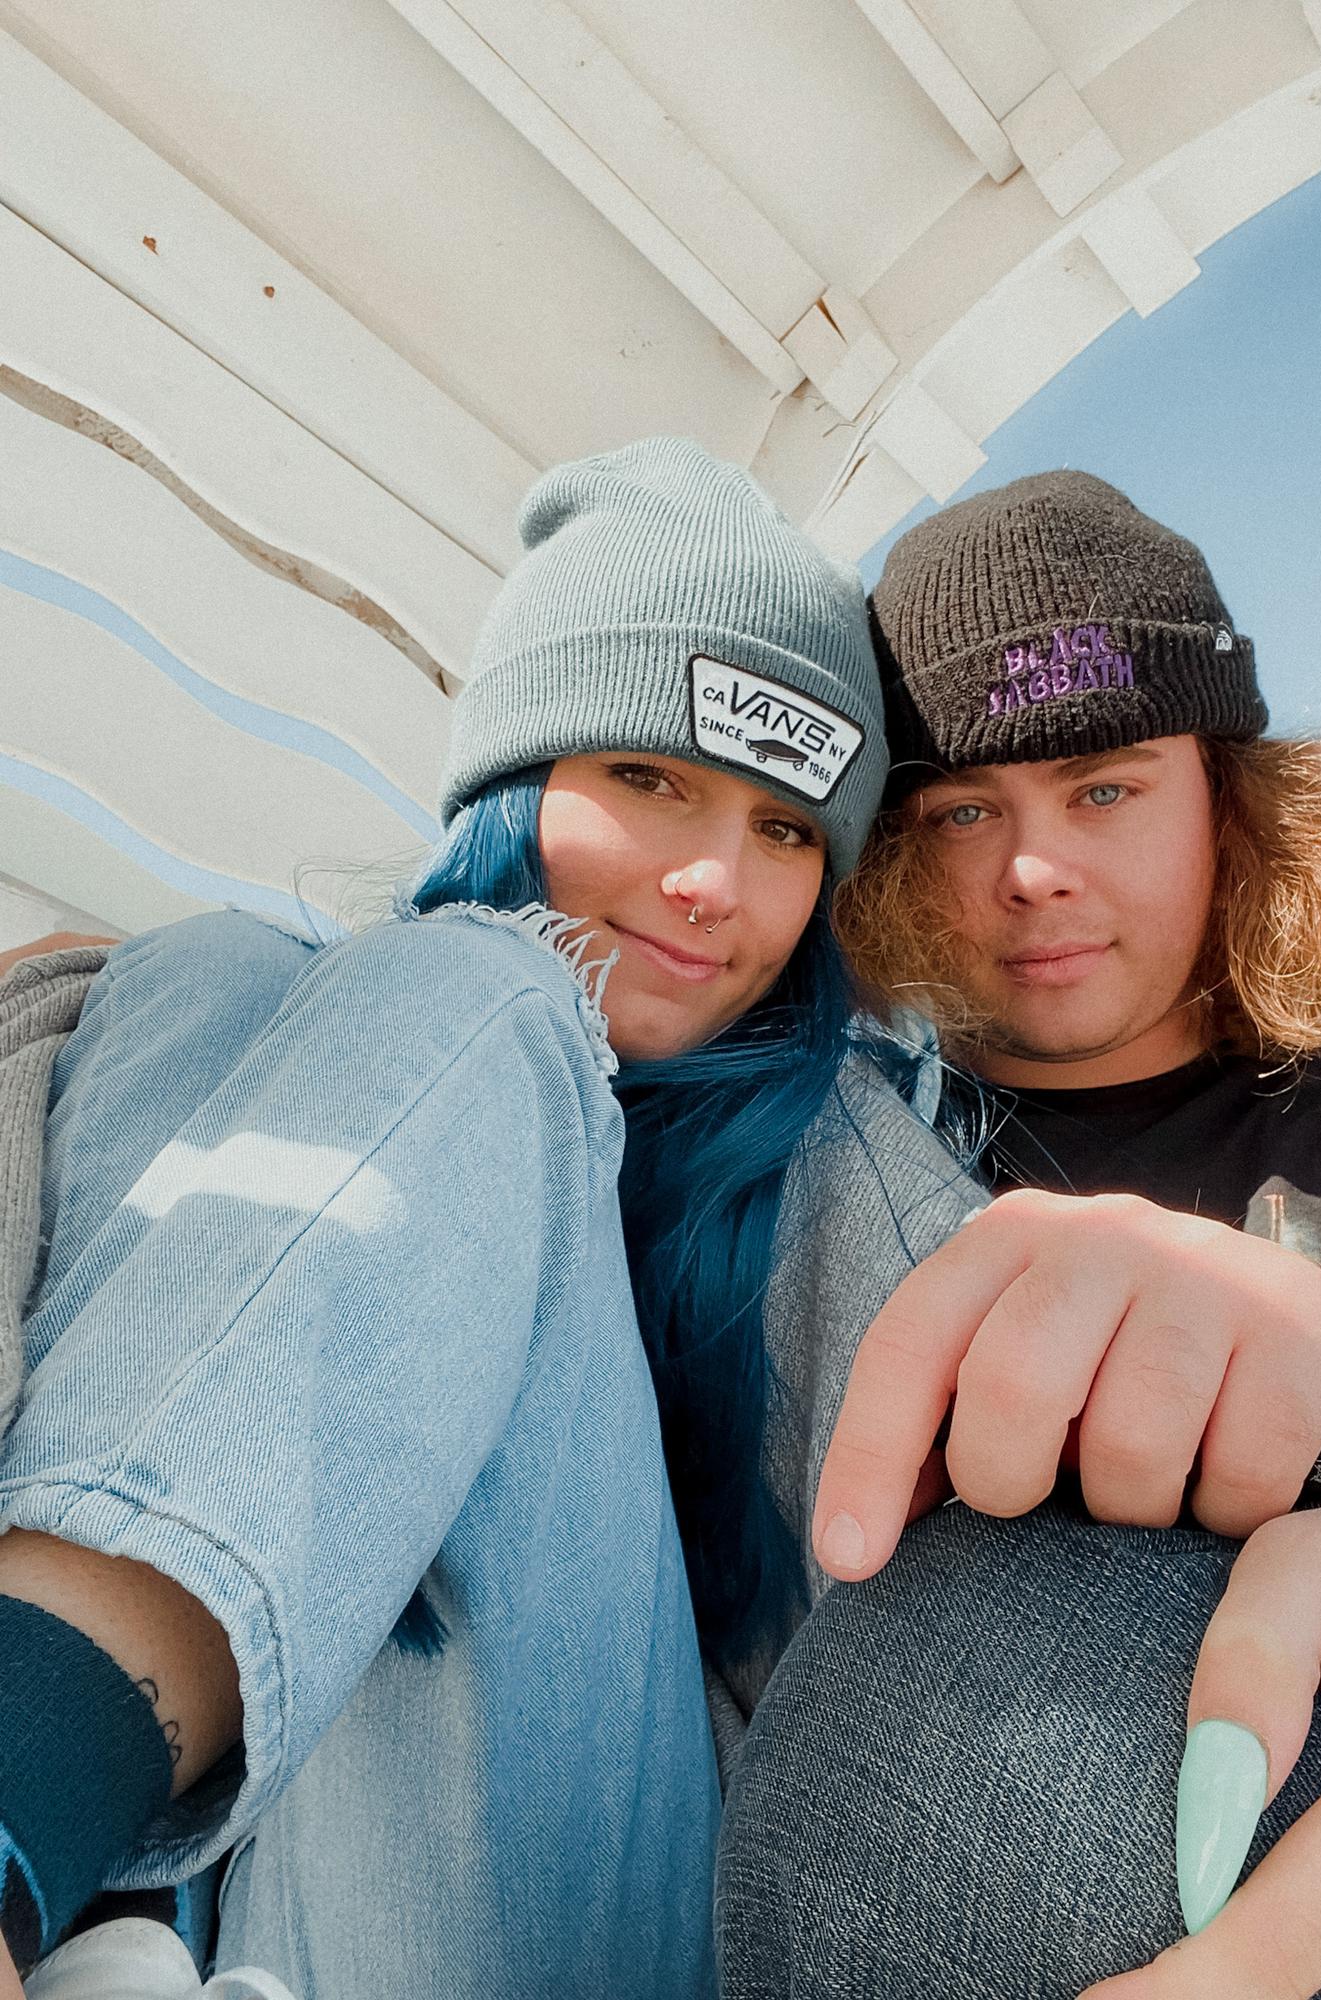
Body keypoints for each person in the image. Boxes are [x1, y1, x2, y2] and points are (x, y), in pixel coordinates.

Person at [0, 434, 892, 1999]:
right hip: (266, 1913)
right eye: (651, 778)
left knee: (495, 987)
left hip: (605, 1915)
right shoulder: (279, 1015)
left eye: (786, 830)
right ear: (511, 784)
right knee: (195, 969)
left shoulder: (843, 1136)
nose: (710, 880)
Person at [714, 472, 1321, 1997]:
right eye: (960, 809)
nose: (1030, 868)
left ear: (1233, 800)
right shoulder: (843, 1165)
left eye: (1104, 786)